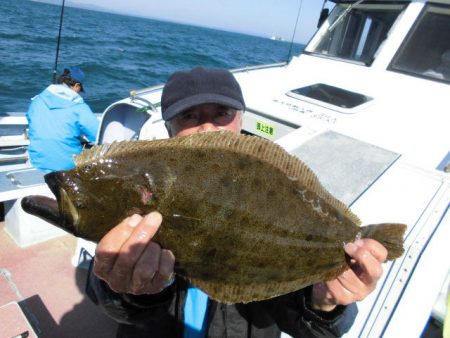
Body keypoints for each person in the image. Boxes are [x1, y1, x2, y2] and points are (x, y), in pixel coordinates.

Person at [86, 67, 388, 337]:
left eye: (221, 114)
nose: (207, 128)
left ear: (240, 120)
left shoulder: (277, 191)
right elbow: (115, 305)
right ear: (169, 130)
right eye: (189, 116)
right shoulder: (141, 189)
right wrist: (131, 290)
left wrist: (323, 305)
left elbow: (306, 325)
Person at [26, 66, 99, 172]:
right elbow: (98, 136)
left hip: (36, 163)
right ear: (77, 85)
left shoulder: (36, 101)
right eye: (80, 90)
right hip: (67, 168)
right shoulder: (79, 107)